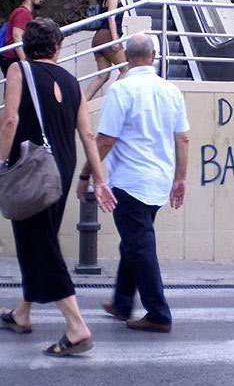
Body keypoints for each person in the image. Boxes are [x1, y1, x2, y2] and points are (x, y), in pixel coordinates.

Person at [0, 17, 117, 357]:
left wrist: (0, 165)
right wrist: (100, 179)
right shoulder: (73, 82)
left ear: (27, 46)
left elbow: (9, 120)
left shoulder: (20, 71)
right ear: (58, 47)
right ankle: (23, 312)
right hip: (59, 171)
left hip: (30, 168)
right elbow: (88, 135)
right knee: (38, 239)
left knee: (40, 243)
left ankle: (76, 326)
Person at [78, 34, 189, 333]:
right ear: (154, 56)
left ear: (126, 56)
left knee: (140, 245)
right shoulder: (172, 91)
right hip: (158, 182)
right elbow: (183, 138)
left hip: (128, 182)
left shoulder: (121, 90)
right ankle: (122, 303)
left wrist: (87, 174)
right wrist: (180, 177)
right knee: (135, 240)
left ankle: (158, 313)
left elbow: (104, 141)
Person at [85, 0, 128, 101]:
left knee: (103, 76)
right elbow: (111, 18)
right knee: (127, 69)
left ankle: (82, 103)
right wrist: (115, 40)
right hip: (107, 37)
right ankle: (111, 99)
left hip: (98, 38)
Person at [0, 0, 42, 78]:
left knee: (17, 89)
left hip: (10, 58)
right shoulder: (23, 13)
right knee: (18, 89)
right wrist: (24, 60)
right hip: (12, 58)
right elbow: (17, 36)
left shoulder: (21, 12)